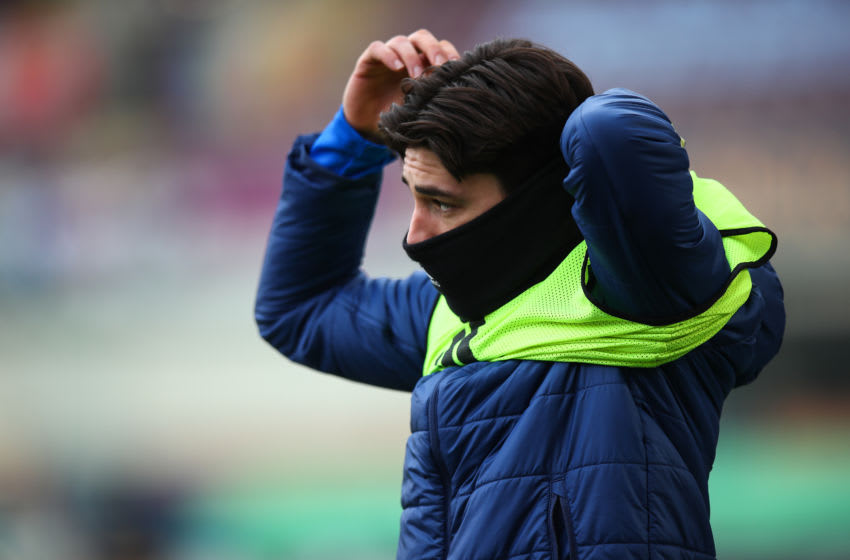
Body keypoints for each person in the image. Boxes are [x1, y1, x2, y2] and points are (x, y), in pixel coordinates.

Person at [255, 30, 785, 560]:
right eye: (414, 198)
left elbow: (609, 134)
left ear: (535, 202)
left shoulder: (645, 287)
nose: (414, 236)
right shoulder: (454, 313)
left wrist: (525, 101)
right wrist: (352, 138)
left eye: (443, 204)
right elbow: (301, 308)